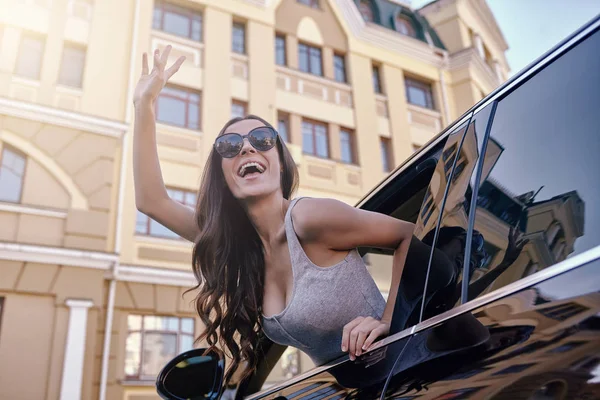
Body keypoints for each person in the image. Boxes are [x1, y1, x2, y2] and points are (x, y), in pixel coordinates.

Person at [132, 46, 414, 386]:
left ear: (280, 162)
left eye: (262, 139)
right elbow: (152, 201)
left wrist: (388, 319)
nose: (248, 148)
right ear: (222, 175)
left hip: (415, 375)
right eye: (230, 146)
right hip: (360, 391)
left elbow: (409, 234)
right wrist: (143, 106)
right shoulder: (235, 245)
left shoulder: (309, 219)